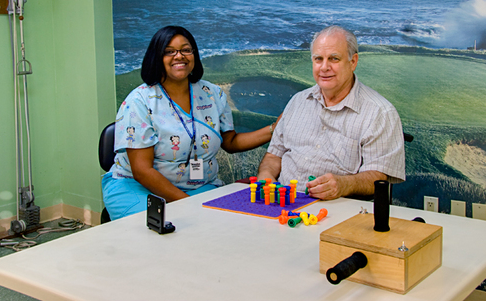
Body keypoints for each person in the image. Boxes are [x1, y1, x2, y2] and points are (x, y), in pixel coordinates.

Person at [102, 26, 278, 220]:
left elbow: (230, 142)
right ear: (157, 57)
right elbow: (142, 171)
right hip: (138, 188)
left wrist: (274, 129)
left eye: (186, 50)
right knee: (169, 228)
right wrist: (190, 206)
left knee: (226, 223)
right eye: (169, 51)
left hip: (198, 186)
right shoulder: (139, 101)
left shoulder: (213, 94)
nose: (179, 56)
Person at [257, 25, 405, 200]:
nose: (324, 67)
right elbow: (274, 156)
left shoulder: (380, 113)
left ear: (353, 62)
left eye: (334, 59)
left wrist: (344, 185)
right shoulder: (297, 101)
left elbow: (378, 177)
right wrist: (266, 177)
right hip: (282, 204)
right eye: (318, 59)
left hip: (337, 210)